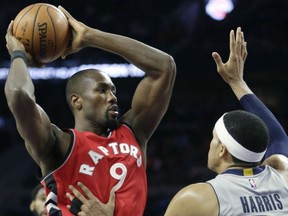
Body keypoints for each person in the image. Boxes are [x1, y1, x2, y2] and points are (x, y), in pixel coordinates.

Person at [5, 4, 176, 216]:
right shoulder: (59, 145)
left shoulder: (133, 133)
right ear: (77, 101)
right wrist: (19, 55)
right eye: (102, 90)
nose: (112, 97)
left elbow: (164, 67)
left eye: (113, 91)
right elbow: (18, 95)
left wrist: (89, 36)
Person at [164, 27, 288, 216]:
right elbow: (278, 137)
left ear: (222, 149)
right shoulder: (281, 176)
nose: (210, 144)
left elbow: (277, 137)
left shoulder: (196, 198)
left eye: (214, 139)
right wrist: (237, 82)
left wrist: (236, 81)